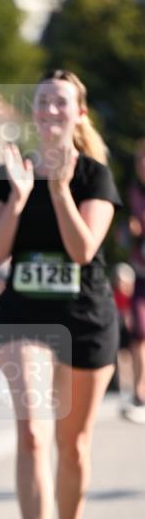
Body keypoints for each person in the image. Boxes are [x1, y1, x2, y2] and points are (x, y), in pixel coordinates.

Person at [0, 69, 121, 519]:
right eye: (43, 101)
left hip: (86, 317)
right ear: (34, 111)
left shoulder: (94, 176)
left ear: (78, 113)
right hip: (25, 317)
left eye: (62, 102)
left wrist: (59, 189)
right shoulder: (8, 173)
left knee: (75, 443)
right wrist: (18, 200)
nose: (51, 110)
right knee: (35, 431)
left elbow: (83, 250)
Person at [120, 138, 145, 423]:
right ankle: (139, 394)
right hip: (140, 272)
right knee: (139, 332)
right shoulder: (134, 191)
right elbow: (125, 239)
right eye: (139, 161)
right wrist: (129, 232)